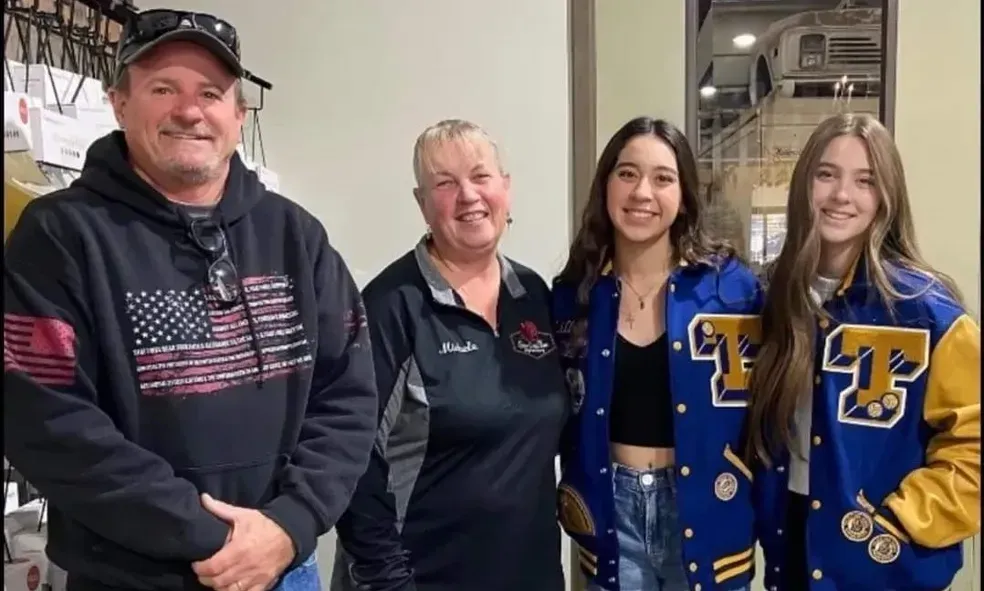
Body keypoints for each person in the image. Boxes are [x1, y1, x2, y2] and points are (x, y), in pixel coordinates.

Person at [2, 9, 378, 591]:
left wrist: (288, 526)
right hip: (129, 575)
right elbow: (47, 422)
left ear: (238, 113)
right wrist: (219, 541)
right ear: (119, 103)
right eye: (162, 88)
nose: (189, 110)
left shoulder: (296, 237)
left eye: (210, 92)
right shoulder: (59, 237)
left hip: (284, 566)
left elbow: (348, 396)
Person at [744, 113, 981, 590]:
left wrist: (902, 519)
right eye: (826, 174)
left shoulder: (927, 313)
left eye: (864, 181)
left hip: (884, 561)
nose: (840, 196)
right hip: (789, 542)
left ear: (887, 197)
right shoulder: (768, 296)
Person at [331, 119, 569, 591]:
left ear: (506, 187)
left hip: (533, 575)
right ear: (422, 204)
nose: (468, 195)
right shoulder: (390, 307)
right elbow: (353, 462)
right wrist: (388, 581)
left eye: (481, 177)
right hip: (422, 579)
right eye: (445, 183)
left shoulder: (535, 296)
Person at [552, 117, 763, 591]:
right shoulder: (574, 295)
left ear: (684, 195)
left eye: (663, 178)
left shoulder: (733, 291)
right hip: (612, 514)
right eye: (627, 174)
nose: (642, 192)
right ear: (605, 184)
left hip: (705, 510)